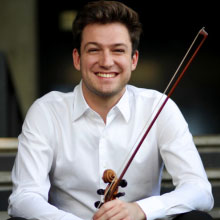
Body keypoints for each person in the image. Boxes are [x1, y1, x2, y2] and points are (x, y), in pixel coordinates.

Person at [7, 1, 214, 220]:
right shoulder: (47, 112)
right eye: (94, 50)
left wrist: (142, 210)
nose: (106, 62)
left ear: (133, 60)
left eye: (118, 50)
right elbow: (24, 197)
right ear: (77, 58)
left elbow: (199, 190)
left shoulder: (158, 107)